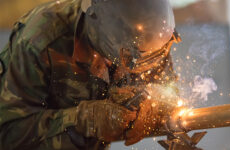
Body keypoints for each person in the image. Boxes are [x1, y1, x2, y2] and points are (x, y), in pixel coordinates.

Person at [0, 0, 180, 149]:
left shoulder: (150, 38)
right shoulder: (41, 41)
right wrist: (82, 119)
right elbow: (8, 134)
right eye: (130, 57)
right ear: (96, 23)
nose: (140, 65)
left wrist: (156, 104)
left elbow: (169, 90)